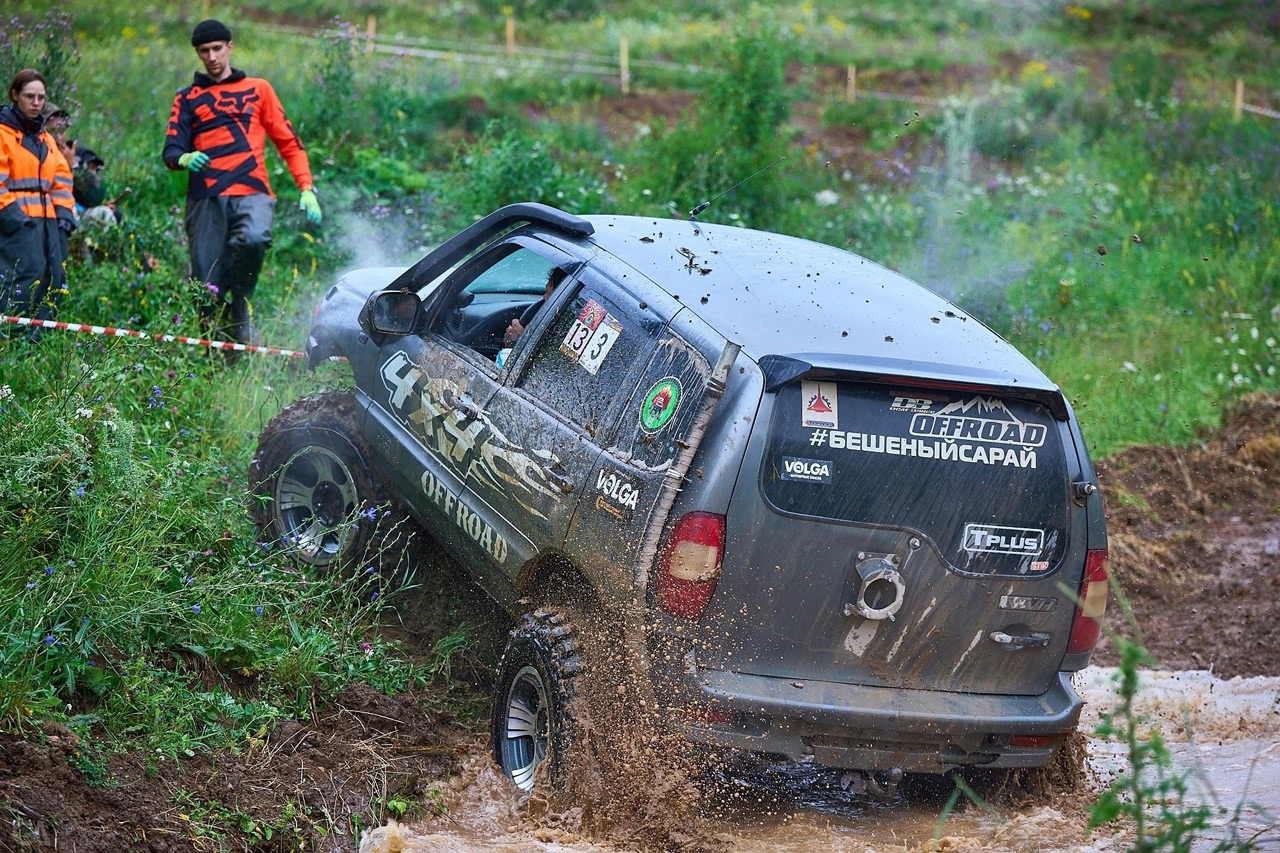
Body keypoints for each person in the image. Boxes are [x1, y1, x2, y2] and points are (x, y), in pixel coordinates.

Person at [163, 18, 322, 346]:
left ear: (230, 47)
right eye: (204, 51)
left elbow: (288, 141)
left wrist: (306, 188)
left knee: (253, 239)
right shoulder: (187, 97)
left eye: (217, 48)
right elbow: (172, 148)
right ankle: (216, 362)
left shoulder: (258, 89)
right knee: (207, 283)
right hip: (205, 196)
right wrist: (184, 159)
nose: (212, 56)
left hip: (252, 191)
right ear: (197, 53)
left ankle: (241, 304)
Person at [0, 69, 75, 335]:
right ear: (14, 96)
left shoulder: (45, 138)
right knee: (21, 280)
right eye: (29, 96)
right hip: (16, 224)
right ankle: (11, 341)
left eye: (41, 98)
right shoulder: (3, 134)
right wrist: (14, 219)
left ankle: (40, 345)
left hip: (50, 225)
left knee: (53, 278)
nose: (36, 103)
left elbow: (62, 178)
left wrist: (66, 216)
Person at [41, 102, 119, 228]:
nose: (58, 137)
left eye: (62, 130)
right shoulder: (35, 152)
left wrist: (73, 165)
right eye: (52, 131)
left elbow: (94, 197)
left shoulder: (73, 153)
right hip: (47, 213)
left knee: (107, 214)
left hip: (72, 213)